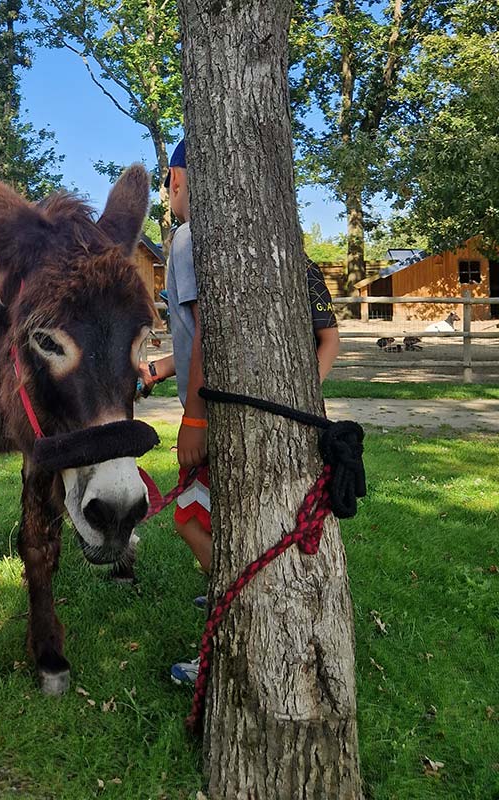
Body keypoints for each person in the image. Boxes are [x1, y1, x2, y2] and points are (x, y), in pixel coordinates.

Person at [137, 138, 340, 683]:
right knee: (237, 521)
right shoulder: (258, 236)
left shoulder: (186, 239)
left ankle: (235, 631)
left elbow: (210, 330)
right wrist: (164, 368)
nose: (168, 193)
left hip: (216, 412)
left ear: (179, 179)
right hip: (254, 407)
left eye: (169, 182)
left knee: (190, 517)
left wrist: (195, 416)